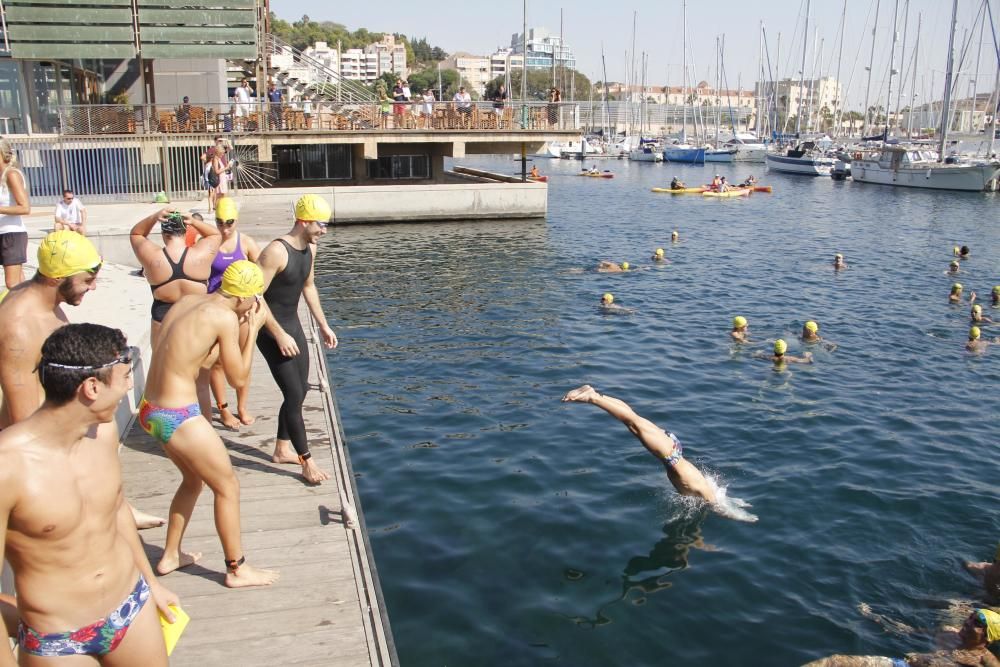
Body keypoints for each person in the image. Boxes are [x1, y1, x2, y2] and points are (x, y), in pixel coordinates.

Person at [0, 323, 181, 665]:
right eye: (125, 377)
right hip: (58, 637)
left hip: (131, 606)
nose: (131, 385)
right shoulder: (8, 467)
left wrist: (150, 582)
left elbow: (115, 511)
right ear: (92, 387)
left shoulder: (104, 433)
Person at [0, 231, 164, 532]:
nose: (93, 287)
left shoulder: (45, 301)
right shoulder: (19, 326)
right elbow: (21, 414)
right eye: (87, 280)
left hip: (63, 428)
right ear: (56, 277)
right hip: (45, 443)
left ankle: (118, 507)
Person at [139, 261, 279, 588]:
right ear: (245, 298)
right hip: (180, 415)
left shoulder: (189, 301)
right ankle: (237, 568)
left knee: (193, 480)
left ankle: (171, 554)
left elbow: (196, 358)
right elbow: (238, 377)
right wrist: (254, 328)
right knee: (227, 487)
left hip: (150, 410)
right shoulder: (225, 317)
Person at [256, 196, 347, 498]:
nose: (324, 230)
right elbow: (255, 298)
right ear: (304, 221)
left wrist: (324, 325)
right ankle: (306, 462)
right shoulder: (275, 252)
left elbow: (308, 286)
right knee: (293, 394)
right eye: (321, 224)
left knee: (303, 390)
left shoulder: (310, 249)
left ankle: (282, 448)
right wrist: (279, 334)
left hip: (293, 326)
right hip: (270, 331)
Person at [561, 385, 717, 503]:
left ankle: (595, 394)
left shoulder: (708, 490)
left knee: (633, 420)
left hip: (672, 449)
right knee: (633, 422)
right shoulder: (710, 499)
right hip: (670, 455)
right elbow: (725, 511)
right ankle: (592, 398)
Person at [130, 208, 222, 352]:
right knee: (200, 370)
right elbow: (215, 234)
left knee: (162, 368)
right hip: (196, 318)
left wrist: (155, 216)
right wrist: (193, 221)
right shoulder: (200, 255)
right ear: (186, 232)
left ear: (163, 234)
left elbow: (136, 233)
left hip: (163, 320)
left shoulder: (153, 257)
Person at [207, 197, 263, 430]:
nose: (225, 227)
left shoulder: (246, 243)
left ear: (236, 221)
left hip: (242, 308)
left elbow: (262, 274)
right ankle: (223, 409)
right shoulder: (209, 244)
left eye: (229, 222)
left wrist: (258, 297)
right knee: (217, 362)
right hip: (218, 308)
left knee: (243, 359)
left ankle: (242, 406)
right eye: (220, 222)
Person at [802, 609, 1000, 667]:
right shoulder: (947, 631)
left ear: (988, 636)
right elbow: (908, 631)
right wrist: (876, 617)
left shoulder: (986, 659)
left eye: (976, 623)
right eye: (970, 618)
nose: (967, 623)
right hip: (901, 665)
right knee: (835, 661)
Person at [0, 138, 30, 290]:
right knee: (19, 282)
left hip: (12, 234)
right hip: (3, 233)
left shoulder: (11, 174)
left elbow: (25, 208)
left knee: (12, 284)